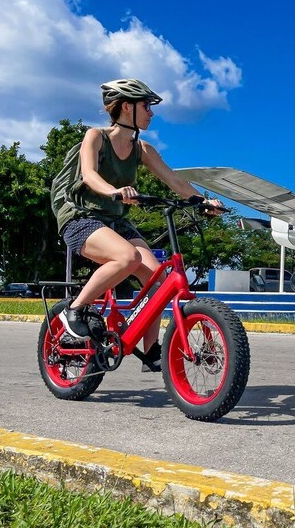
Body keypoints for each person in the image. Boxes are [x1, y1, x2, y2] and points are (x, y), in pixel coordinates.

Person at [54, 78, 224, 371]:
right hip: (80, 216)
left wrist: (204, 201)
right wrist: (114, 191)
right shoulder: (95, 137)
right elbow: (90, 175)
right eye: (146, 106)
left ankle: (152, 351)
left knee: (158, 281)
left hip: (116, 220)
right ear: (126, 107)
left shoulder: (142, 149)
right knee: (128, 257)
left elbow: (175, 182)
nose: (151, 112)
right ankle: (74, 311)